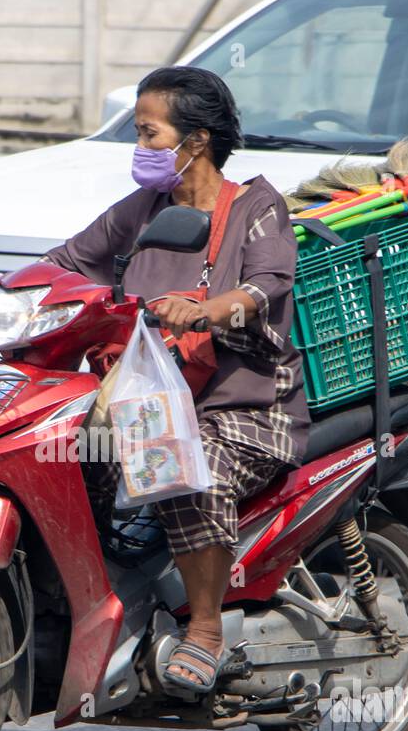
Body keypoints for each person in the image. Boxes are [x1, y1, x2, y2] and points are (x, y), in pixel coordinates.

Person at [41, 66, 311, 694]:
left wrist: (208, 309)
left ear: (196, 140)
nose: (141, 147)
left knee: (182, 466)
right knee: (60, 457)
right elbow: (66, 261)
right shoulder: (143, 212)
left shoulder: (255, 207)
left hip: (246, 410)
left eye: (149, 133)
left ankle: (208, 630)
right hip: (152, 403)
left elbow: (266, 285)